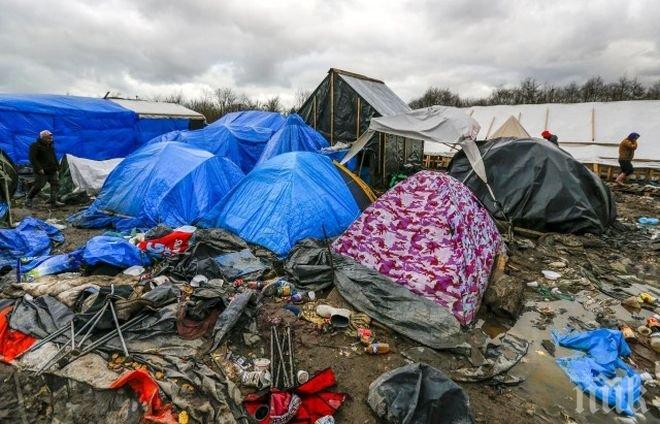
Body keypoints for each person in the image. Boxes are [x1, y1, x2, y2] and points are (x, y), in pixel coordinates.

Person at [26, 130, 63, 207]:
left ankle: (53, 201)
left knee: (55, 184)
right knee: (39, 185)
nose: (50, 140)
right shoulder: (35, 145)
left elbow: (54, 157)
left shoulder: (50, 147)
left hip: (52, 170)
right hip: (42, 170)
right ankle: (28, 199)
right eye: (48, 138)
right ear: (42, 138)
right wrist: (39, 168)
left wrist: (58, 167)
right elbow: (32, 158)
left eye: (51, 138)